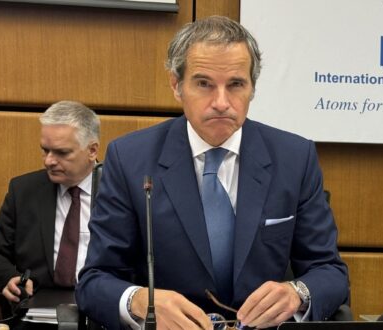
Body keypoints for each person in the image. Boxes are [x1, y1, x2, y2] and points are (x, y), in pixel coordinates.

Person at [76, 16, 349, 330]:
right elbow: (95, 281)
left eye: (235, 84)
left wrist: (297, 293)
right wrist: (140, 301)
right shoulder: (130, 158)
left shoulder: (294, 158)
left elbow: (329, 272)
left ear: (252, 88)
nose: (221, 103)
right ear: (176, 86)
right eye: (204, 83)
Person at [0, 101, 100, 301]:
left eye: (62, 152)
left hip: (103, 310)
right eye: (45, 150)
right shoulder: (24, 191)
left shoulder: (121, 192)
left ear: (92, 151)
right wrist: (10, 277)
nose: (49, 160)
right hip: (36, 307)